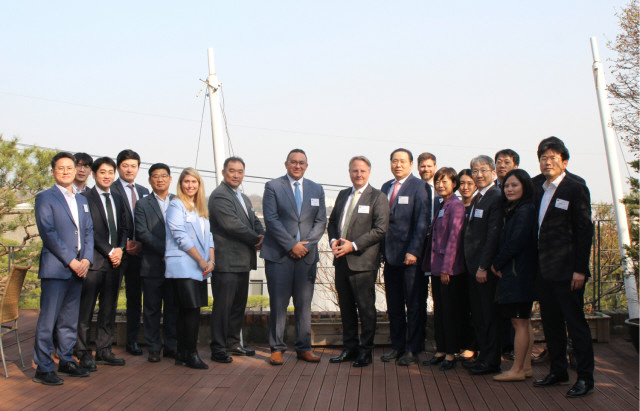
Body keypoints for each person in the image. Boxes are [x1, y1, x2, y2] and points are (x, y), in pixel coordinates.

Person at [532, 137, 594, 398]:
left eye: (553, 158)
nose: (547, 162)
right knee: (551, 323)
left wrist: (580, 269)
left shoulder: (575, 187)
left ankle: (586, 378)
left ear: (564, 161)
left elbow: (584, 231)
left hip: (569, 272)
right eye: (543, 158)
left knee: (575, 324)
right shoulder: (538, 187)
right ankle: (558, 371)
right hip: (544, 270)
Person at [261, 149, 327, 365]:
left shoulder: (316, 189)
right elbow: (270, 220)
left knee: (303, 304)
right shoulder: (273, 187)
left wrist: (305, 246)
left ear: (306, 165)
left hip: (306, 257)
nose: (297, 166)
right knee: (278, 304)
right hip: (280, 255)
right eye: (293, 162)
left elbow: (321, 222)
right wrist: (291, 245)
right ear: (286, 164)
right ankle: (277, 348)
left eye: (301, 163)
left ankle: (304, 347)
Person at [33, 152, 93, 385]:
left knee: (69, 319)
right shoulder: (45, 198)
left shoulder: (82, 199)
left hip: (79, 268)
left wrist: (86, 259)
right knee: (48, 320)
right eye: (61, 168)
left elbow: (88, 232)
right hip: (57, 268)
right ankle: (44, 367)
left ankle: (66, 360)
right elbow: (48, 233)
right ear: (53, 172)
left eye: (70, 167)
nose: (67, 171)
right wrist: (72, 260)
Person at [327, 156, 389, 368]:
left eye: (362, 171)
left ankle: (366, 351)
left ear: (369, 172)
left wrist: (353, 245)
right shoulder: (344, 194)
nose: (358, 174)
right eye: (354, 170)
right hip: (341, 261)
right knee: (346, 308)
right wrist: (334, 241)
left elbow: (380, 229)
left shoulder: (377, 197)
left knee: (365, 309)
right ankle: (350, 348)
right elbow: (333, 221)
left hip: (362, 263)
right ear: (349, 172)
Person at [208, 157, 265, 363]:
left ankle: (233, 344)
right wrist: (255, 239)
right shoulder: (219, 196)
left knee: (237, 307)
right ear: (224, 172)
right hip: (226, 262)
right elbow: (232, 225)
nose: (236, 175)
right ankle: (218, 348)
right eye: (232, 171)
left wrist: (262, 235)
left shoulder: (244, 197)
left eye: (240, 171)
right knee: (223, 307)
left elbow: (254, 220)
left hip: (242, 262)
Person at [77, 157, 129, 369]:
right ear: (94, 174)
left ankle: (104, 350)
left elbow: (125, 227)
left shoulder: (117, 197)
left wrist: (120, 249)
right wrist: (109, 250)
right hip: (94, 262)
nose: (107, 176)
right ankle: (82, 351)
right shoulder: (85, 198)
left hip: (115, 263)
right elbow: (89, 230)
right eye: (102, 172)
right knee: (86, 310)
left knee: (109, 309)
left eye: (110, 172)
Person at [380, 148, 430, 366]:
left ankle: (413, 348)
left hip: (411, 258)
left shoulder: (420, 187)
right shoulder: (385, 187)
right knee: (394, 305)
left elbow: (422, 222)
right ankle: (397, 346)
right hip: (390, 257)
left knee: (415, 304)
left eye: (402, 161)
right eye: (394, 161)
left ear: (411, 164)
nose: (398, 165)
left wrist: (414, 250)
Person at [165, 168, 214, 370]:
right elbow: (180, 235)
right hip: (184, 265)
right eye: (186, 181)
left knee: (190, 310)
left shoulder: (200, 208)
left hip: (200, 266)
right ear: (181, 184)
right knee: (191, 310)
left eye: (194, 182)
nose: (190, 185)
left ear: (199, 185)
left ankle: (183, 353)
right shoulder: (176, 205)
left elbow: (210, 237)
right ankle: (190, 353)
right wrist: (202, 261)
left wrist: (211, 260)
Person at [491, 169, 537, 381]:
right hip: (519, 271)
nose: (509, 189)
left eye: (515, 185)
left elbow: (516, 241)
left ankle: (517, 369)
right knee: (524, 322)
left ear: (525, 187)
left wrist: (497, 262)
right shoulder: (518, 209)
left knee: (519, 322)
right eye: (507, 186)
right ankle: (525, 366)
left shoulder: (525, 210)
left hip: (518, 273)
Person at [463, 155, 504, 375]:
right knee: (478, 315)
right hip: (472, 267)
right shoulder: (478, 197)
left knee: (488, 316)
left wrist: (483, 266)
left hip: (483, 270)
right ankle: (483, 356)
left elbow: (493, 235)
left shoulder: (495, 196)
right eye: (475, 171)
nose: (479, 175)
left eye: (483, 170)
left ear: (493, 173)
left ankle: (492, 361)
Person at [423, 167, 466, 371]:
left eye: (445, 181)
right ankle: (440, 350)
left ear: (454, 184)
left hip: (448, 269)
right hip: (436, 267)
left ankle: (451, 353)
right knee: (439, 310)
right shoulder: (442, 204)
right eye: (437, 182)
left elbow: (454, 238)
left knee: (449, 312)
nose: (440, 185)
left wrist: (447, 268)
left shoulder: (456, 206)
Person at [135, 163, 178, 363]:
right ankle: (153, 348)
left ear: (170, 179)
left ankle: (171, 346)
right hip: (152, 263)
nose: (160, 179)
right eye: (155, 176)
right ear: (150, 180)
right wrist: (165, 250)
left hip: (175, 265)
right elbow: (142, 233)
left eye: (163, 175)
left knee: (172, 307)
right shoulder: (142, 204)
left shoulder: (179, 201)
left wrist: (173, 254)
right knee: (151, 308)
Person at [111, 149, 150, 356]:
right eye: (125, 165)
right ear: (118, 168)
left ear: (138, 168)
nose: (129, 169)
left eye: (133, 165)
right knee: (110, 297)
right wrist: (123, 243)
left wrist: (141, 243)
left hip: (139, 254)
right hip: (117, 253)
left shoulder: (144, 191)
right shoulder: (111, 189)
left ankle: (132, 341)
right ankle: (105, 342)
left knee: (135, 299)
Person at [455, 168, 477, 362]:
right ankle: (461, 343)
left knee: (474, 306)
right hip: (456, 264)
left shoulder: (479, 205)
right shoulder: (455, 205)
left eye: (469, 183)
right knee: (460, 306)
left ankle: (472, 345)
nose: (465, 187)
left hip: (474, 265)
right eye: (462, 183)